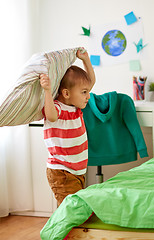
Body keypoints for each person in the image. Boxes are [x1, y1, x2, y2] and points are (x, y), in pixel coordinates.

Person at [39, 48, 96, 206]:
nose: (88, 96)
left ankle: (66, 229)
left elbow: (90, 81)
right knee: (69, 208)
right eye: (84, 92)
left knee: (72, 207)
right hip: (62, 171)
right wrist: (47, 91)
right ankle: (60, 231)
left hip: (77, 170)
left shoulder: (75, 107)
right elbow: (50, 116)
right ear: (66, 93)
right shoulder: (58, 108)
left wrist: (85, 60)